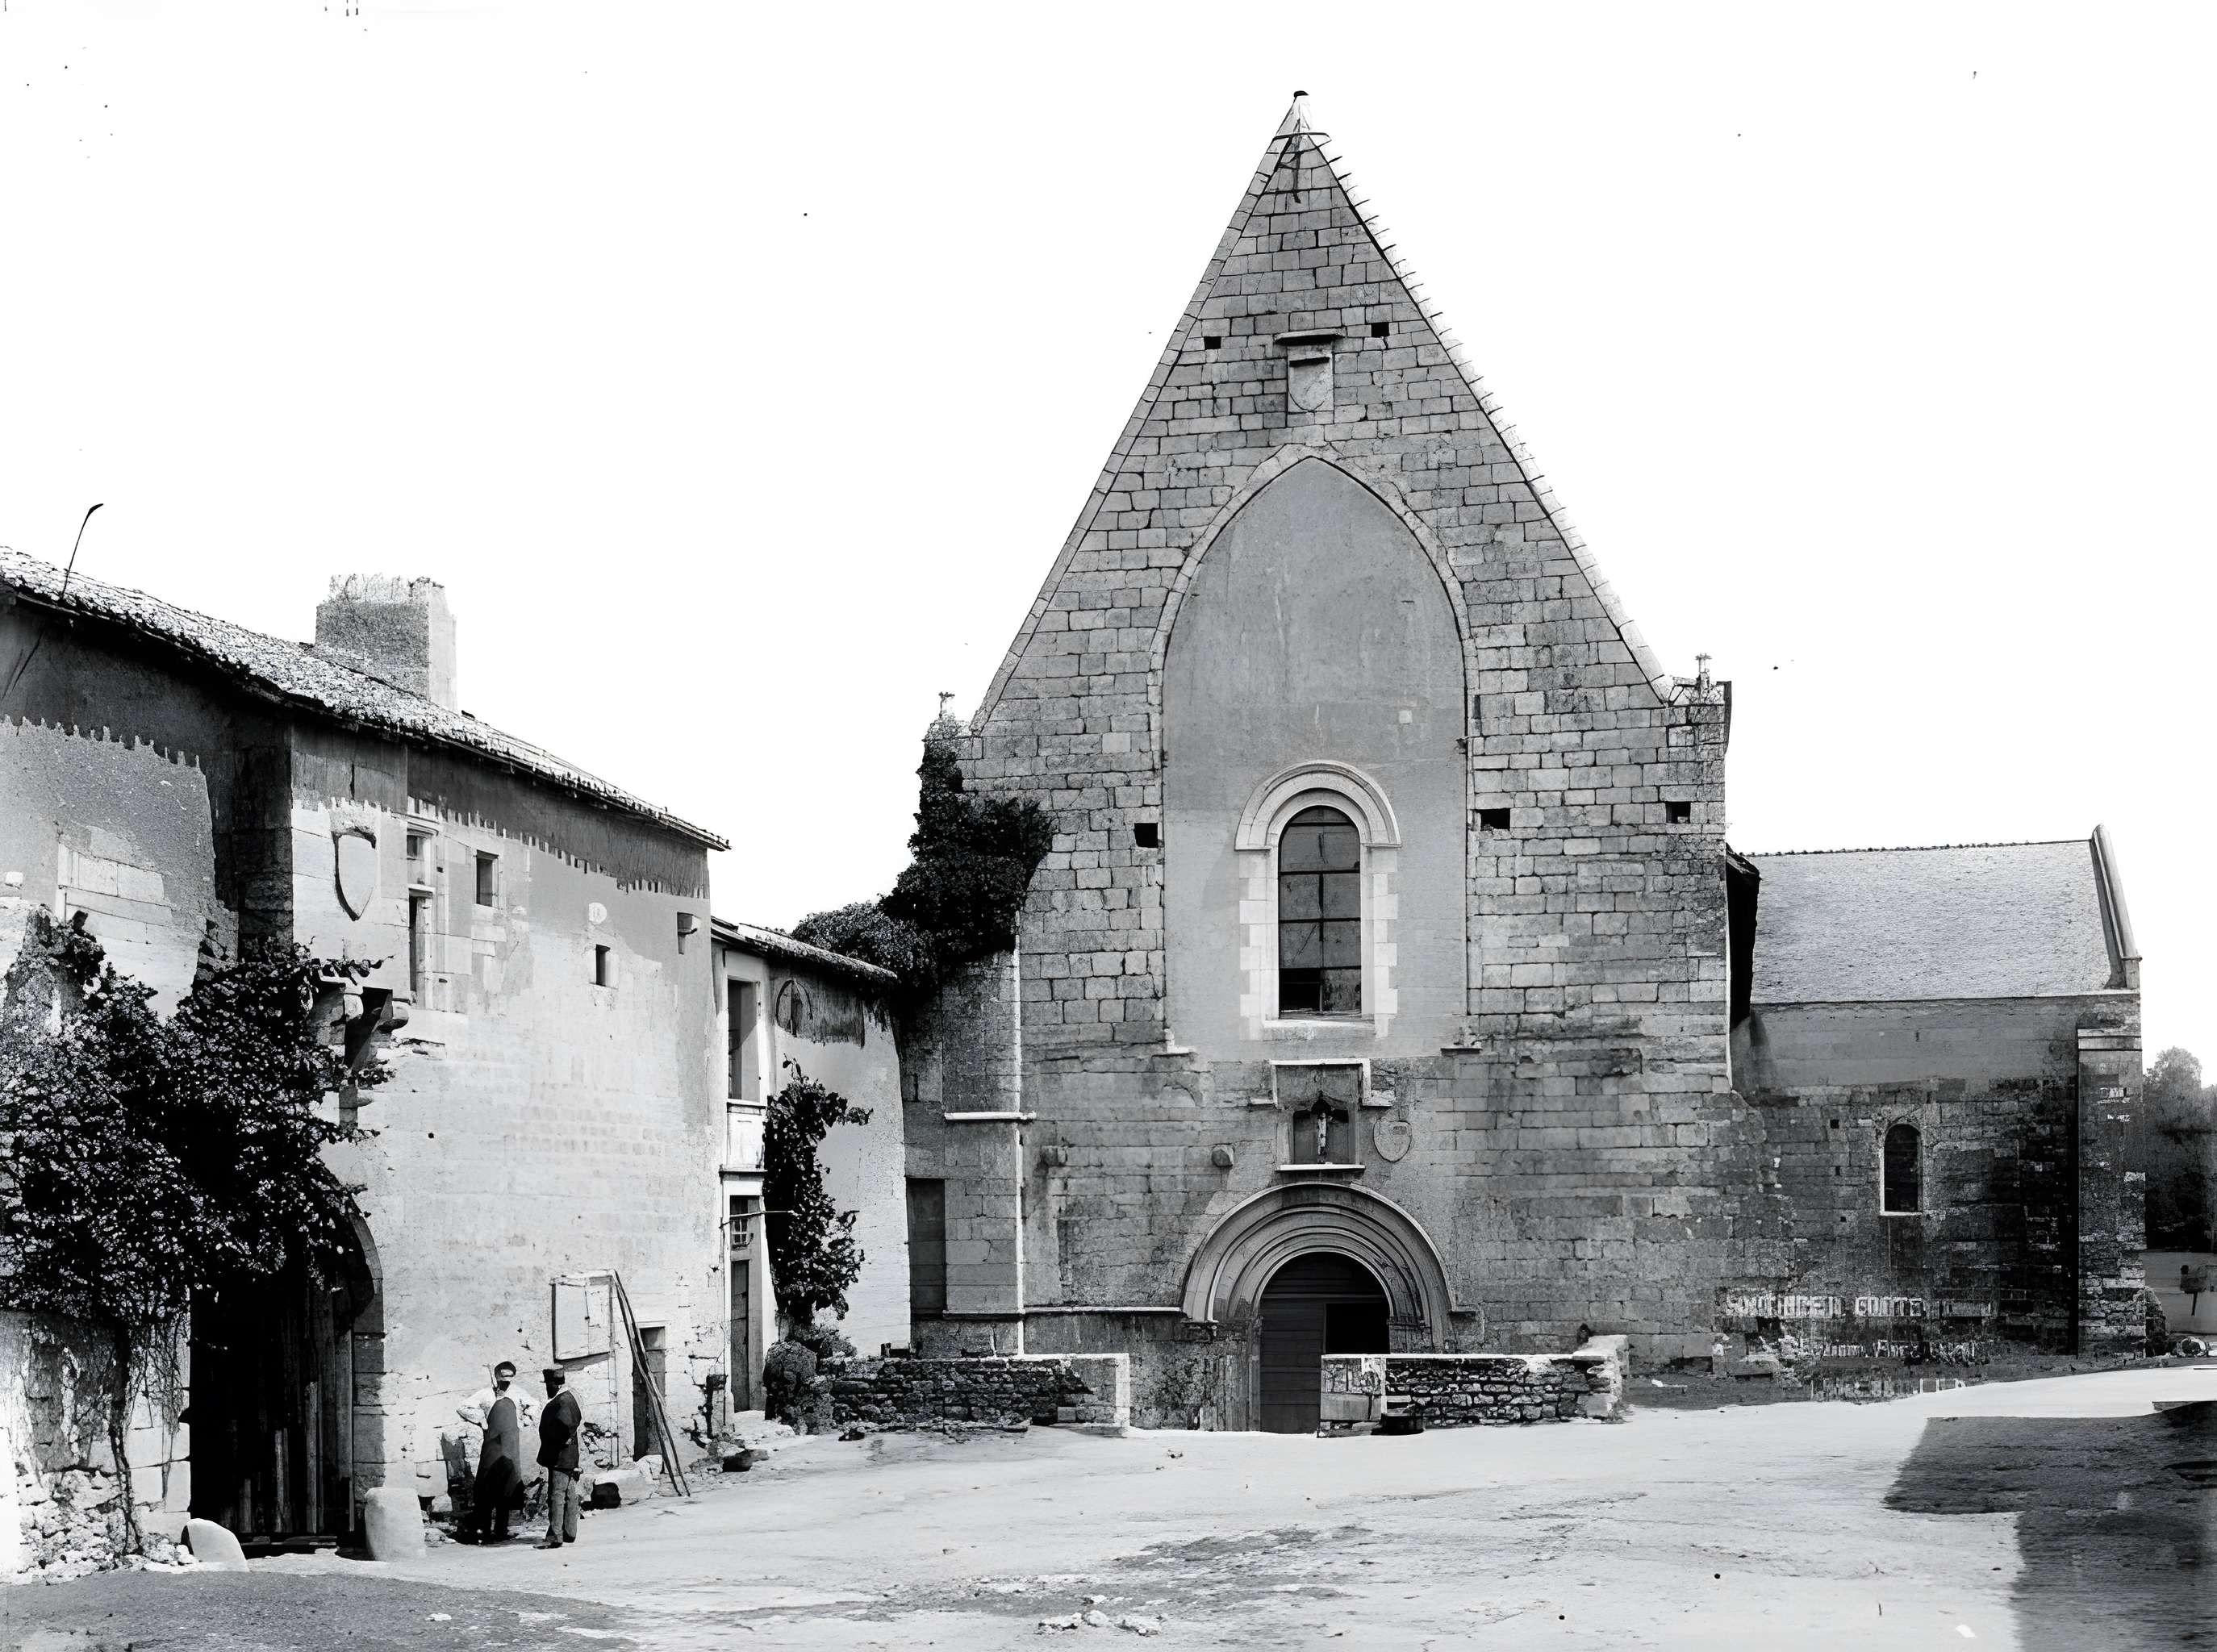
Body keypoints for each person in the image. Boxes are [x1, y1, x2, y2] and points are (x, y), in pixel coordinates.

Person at [456, 1361, 531, 1541]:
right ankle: (484, 1529)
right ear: (497, 1376)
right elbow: (462, 1408)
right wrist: (482, 1420)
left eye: (510, 1377)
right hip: (492, 1445)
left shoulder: (518, 1392)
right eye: (503, 1377)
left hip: (510, 1446)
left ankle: (501, 1530)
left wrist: (524, 1422)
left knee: (506, 1486)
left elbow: (535, 1406)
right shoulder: (485, 1394)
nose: (507, 1381)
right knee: (487, 1486)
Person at [537, 1366, 582, 1549]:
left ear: (553, 1384)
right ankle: (569, 1532)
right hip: (568, 1456)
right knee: (569, 1493)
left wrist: (559, 1440)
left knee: (557, 1495)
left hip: (560, 1456)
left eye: (547, 1384)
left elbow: (566, 1426)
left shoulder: (561, 1401)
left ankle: (555, 1536)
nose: (546, 1388)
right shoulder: (570, 1398)